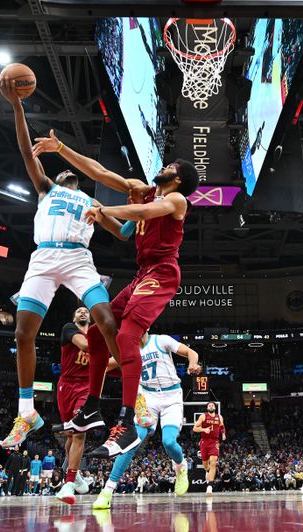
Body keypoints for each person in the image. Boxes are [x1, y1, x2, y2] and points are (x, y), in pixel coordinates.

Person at [38, 130, 200, 459]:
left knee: (127, 337)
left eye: (170, 165)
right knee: (98, 333)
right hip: (142, 274)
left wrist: (104, 208)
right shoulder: (141, 190)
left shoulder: (176, 201)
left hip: (163, 273)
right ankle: (93, 407)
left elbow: (141, 215)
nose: (164, 166)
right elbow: (99, 173)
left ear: (178, 178)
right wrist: (60, 148)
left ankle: (127, 423)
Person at [0, 76, 122, 449]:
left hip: (79, 259)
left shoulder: (91, 204)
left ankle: (136, 397)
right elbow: (25, 150)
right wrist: (17, 105)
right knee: (22, 335)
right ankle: (26, 412)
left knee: (108, 320)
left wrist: (141, 211)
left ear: (80, 183)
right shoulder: (46, 188)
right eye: (62, 171)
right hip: (44, 257)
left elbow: (125, 233)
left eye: (72, 174)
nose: (67, 173)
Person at [92, 331, 202, 510]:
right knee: (131, 442)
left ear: (146, 325)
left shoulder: (161, 340)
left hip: (171, 395)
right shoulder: (128, 349)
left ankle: (181, 467)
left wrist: (193, 363)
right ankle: (107, 491)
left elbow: (192, 352)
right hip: (146, 398)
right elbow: (104, 365)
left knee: (168, 442)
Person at [55, 307, 94, 504]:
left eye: (86, 311)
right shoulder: (69, 329)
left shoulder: (96, 333)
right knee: (70, 434)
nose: (83, 312)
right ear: (74, 317)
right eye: (79, 311)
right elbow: (85, 346)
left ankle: (68, 483)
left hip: (86, 387)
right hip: (66, 385)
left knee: (79, 432)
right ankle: (74, 471)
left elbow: (107, 363)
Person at [193, 401, 226, 494]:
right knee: (205, 466)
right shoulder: (203, 416)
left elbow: (222, 427)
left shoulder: (219, 417)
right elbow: (194, 428)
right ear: (207, 408)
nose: (211, 406)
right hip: (204, 442)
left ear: (215, 407)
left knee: (213, 462)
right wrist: (203, 429)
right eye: (209, 405)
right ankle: (207, 471)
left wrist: (223, 434)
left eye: (212, 405)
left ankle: (210, 486)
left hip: (214, 442)